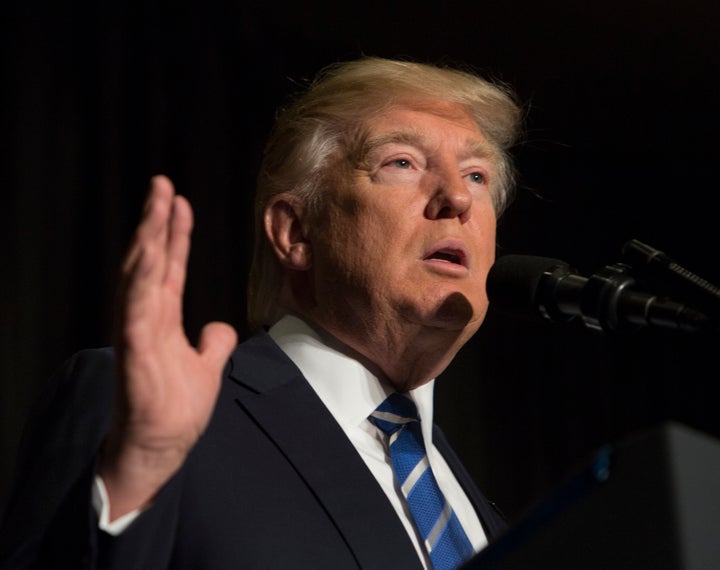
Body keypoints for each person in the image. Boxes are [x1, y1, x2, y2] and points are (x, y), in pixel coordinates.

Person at [0, 55, 522, 569]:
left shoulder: (472, 501)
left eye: (477, 176)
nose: (457, 197)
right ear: (294, 232)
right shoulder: (137, 409)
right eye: (402, 162)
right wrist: (134, 481)